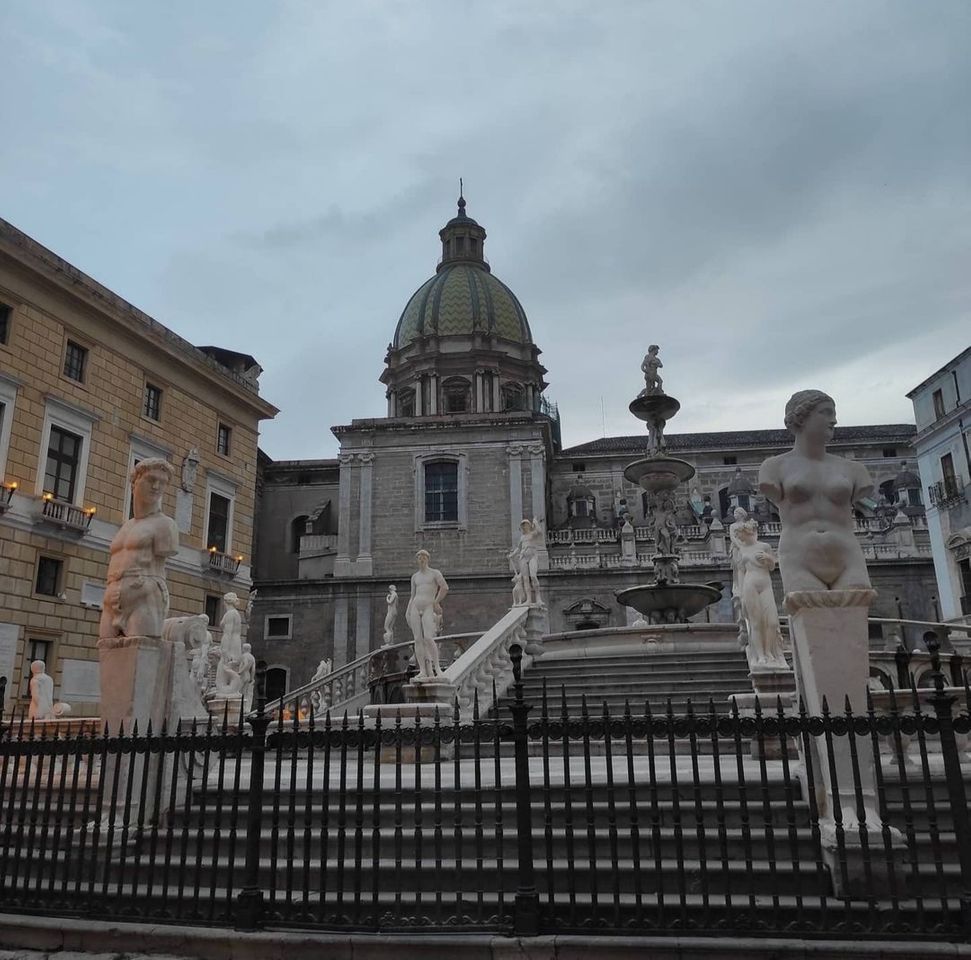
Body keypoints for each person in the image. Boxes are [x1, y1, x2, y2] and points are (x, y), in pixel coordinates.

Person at [759, 390, 874, 594]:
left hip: (848, 555)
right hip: (798, 555)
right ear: (801, 417)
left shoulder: (855, 470)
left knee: (856, 611)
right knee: (811, 617)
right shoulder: (773, 467)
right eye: (826, 413)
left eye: (834, 413)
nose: (834, 420)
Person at [100, 458, 179, 640]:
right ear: (135, 481)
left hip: (145, 596)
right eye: (151, 480)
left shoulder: (165, 526)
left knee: (142, 653)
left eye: (163, 483)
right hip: (111, 596)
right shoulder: (126, 527)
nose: (157, 486)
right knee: (106, 650)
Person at [732, 523, 787, 667]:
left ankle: (769, 652)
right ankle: (761, 655)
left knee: (772, 622)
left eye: (739, 534)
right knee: (755, 622)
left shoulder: (764, 546)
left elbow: (773, 566)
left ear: (746, 532)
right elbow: (740, 572)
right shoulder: (741, 550)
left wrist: (769, 558)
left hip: (765, 584)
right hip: (749, 585)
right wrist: (740, 594)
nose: (738, 537)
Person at [405, 549, 449, 681]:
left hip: (428, 606)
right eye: (419, 557)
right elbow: (412, 595)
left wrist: (436, 602)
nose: (421, 559)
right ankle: (423, 670)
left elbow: (445, 587)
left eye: (423, 557)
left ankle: (437, 668)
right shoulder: (415, 577)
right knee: (418, 639)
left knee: (429, 638)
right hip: (415, 607)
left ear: (428, 559)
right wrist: (408, 609)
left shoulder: (434, 573)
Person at [508, 518, 544, 605]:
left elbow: (540, 532)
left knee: (533, 576)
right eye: (523, 525)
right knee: (525, 579)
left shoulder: (533, 534)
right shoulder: (522, 537)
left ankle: (538, 598)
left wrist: (536, 522)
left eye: (526, 525)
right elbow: (518, 548)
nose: (524, 527)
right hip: (523, 557)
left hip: (532, 556)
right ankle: (528, 599)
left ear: (529, 525)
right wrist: (512, 555)